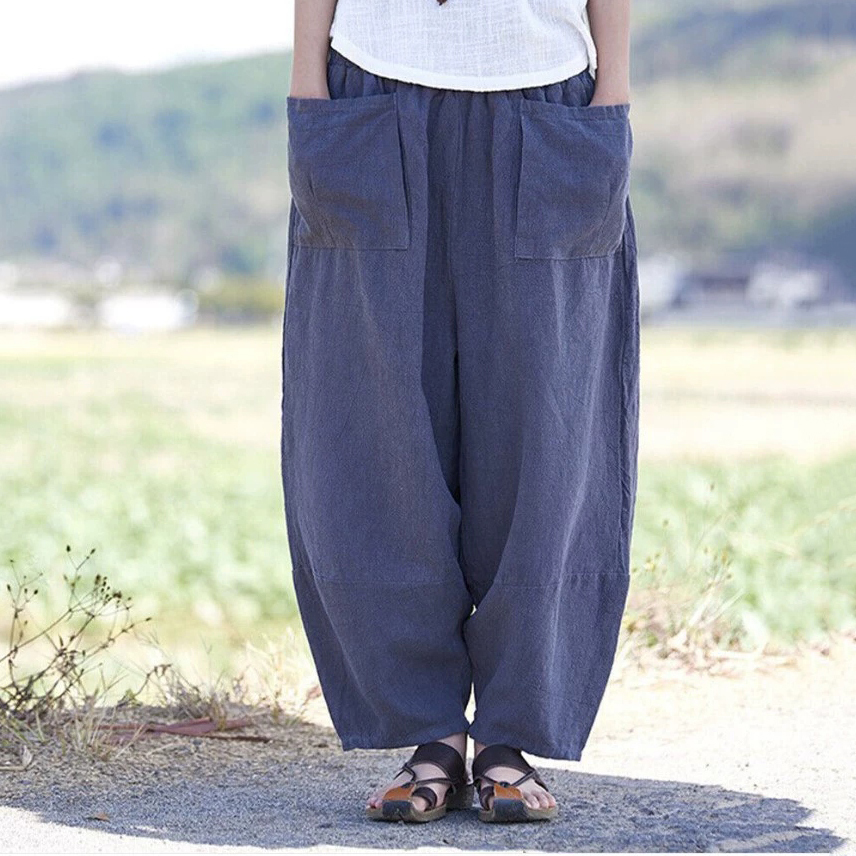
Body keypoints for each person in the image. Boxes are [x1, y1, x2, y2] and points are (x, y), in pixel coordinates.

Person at [280, 0, 638, 824]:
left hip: (548, 100)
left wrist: (613, 91)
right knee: (374, 431)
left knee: (548, 442)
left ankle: (510, 737)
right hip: (372, 95)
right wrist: (307, 87)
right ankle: (430, 733)